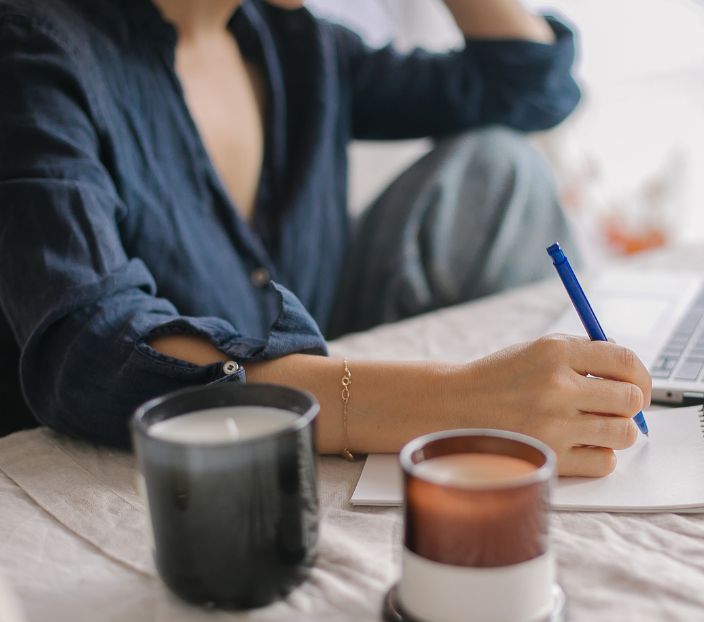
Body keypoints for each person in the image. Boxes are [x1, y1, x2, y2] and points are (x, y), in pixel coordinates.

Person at [0, 0, 651, 476]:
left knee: (497, 167)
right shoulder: (32, 53)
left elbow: (531, 88)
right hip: (186, 462)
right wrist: (457, 401)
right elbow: (89, 348)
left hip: (326, 342)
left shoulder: (297, 44)